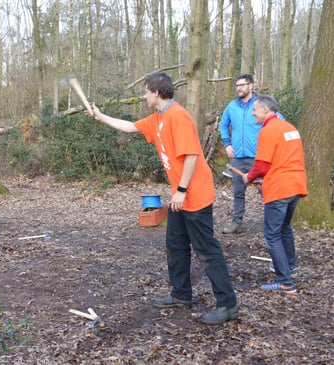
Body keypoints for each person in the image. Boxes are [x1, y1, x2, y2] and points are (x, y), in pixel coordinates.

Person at [85, 71, 238, 325]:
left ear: (156, 93)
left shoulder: (179, 117)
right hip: (181, 198)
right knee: (175, 245)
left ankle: (227, 304)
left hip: (194, 195)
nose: (144, 96)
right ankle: (181, 295)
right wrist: (100, 117)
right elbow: (130, 127)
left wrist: (181, 190)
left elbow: (191, 156)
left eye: (146, 92)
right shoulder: (158, 118)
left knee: (207, 251)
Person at [242, 95, 307, 294]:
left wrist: (249, 177)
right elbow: (284, 159)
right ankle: (290, 267)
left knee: (272, 235)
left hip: (280, 189)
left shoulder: (268, 131)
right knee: (284, 228)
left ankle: (285, 281)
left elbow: (262, 165)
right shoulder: (290, 128)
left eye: (254, 109)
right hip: (296, 185)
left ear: (265, 110)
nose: (252, 113)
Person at [219, 73, 260, 234]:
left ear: (251, 86)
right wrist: (227, 144)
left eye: (242, 85)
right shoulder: (231, 106)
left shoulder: (260, 104)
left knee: (265, 190)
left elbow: (278, 121)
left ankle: (274, 225)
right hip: (237, 159)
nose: (239, 88)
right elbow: (223, 126)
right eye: (237, 86)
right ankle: (237, 222)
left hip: (258, 157)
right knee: (238, 192)